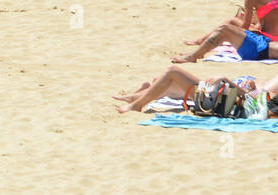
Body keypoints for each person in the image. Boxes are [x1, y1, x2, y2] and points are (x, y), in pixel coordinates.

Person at [113, 68, 277, 114]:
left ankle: (137, 104)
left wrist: (227, 80)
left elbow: (253, 105)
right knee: (162, 81)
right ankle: (136, 96)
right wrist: (252, 82)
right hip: (220, 94)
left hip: (220, 101)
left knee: (173, 73)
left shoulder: (272, 97)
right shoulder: (270, 87)